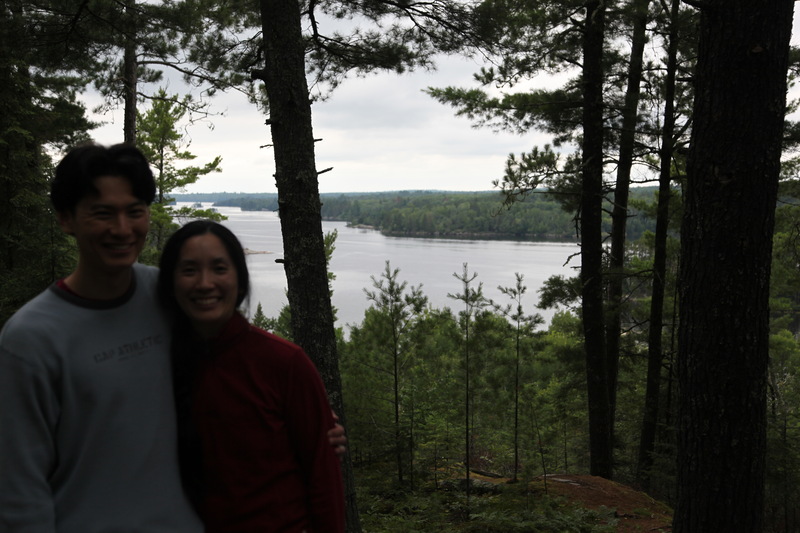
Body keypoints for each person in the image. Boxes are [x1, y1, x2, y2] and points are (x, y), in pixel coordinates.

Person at [0, 143, 345, 533]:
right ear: (66, 218)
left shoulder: (165, 295)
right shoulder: (31, 339)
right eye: (102, 213)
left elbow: (232, 364)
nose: (122, 229)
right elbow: (19, 492)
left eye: (135, 211)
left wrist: (307, 424)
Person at [157, 220, 345, 533]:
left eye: (219, 268)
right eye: (189, 270)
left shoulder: (284, 363)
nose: (205, 283)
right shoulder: (154, 364)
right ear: (170, 282)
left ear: (240, 281)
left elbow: (323, 478)